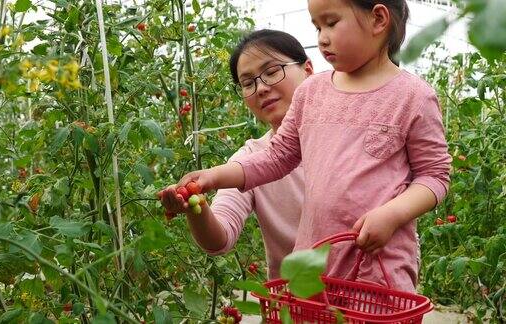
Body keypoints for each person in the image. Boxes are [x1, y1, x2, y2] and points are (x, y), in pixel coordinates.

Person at [167, 0, 451, 292]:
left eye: (331, 23)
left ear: (378, 20)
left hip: (378, 268)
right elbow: (277, 157)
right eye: (317, 26)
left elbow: (435, 175)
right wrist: (212, 177)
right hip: (312, 269)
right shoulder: (312, 93)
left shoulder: (413, 97)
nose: (321, 38)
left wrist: (392, 214)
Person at [158, 30, 313, 279]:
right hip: (296, 308)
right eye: (248, 83)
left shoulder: (348, 136)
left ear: (308, 70)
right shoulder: (249, 160)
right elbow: (219, 240)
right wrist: (195, 207)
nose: (261, 88)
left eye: (272, 71)